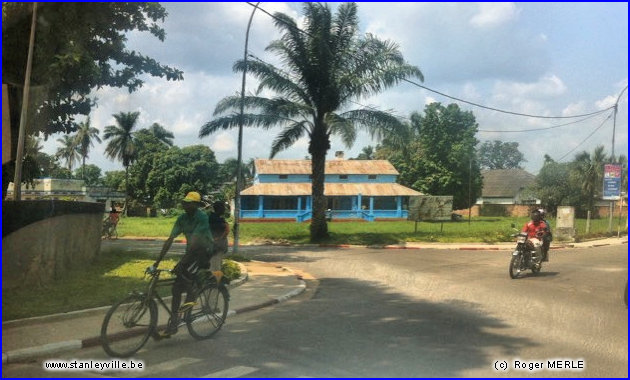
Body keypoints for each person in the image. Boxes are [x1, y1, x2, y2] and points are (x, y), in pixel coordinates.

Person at [150, 191, 214, 337]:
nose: (185, 204)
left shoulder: (202, 217)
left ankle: (187, 310)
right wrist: (156, 262)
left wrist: (182, 263)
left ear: (196, 205)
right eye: (184, 202)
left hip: (203, 252)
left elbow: (196, 243)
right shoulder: (182, 218)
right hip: (190, 252)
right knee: (176, 288)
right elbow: (170, 240)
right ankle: (175, 320)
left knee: (185, 277)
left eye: (189, 202)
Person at [208, 201, 229, 272]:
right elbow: (226, 230)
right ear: (220, 209)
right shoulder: (216, 220)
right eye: (223, 208)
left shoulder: (212, 217)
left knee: (215, 267)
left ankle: (216, 281)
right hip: (216, 248)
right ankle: (216, 282)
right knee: (216, 269)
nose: (224, 210)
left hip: (214, 247)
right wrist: (219, 239)